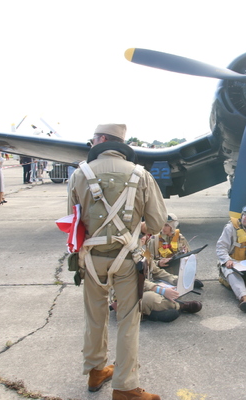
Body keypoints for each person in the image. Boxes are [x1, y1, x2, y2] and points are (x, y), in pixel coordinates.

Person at [67, 123, 166, 400]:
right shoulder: (141, 175)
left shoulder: (79, 175)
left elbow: (73, 225)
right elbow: (158, 223)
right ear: (120, 144)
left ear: (100, 140)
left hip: (90, 260)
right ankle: (124, 386)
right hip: (126, 261)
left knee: (94, 316)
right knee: (127, 321)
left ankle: (95, 370)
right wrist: (139, 228)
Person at [138, 234, 202, 322]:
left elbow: (157, 272)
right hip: (133, 293)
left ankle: (155, 312)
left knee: (172, 289)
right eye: (137, 236)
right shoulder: (127, 257)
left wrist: (175, 280)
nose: (141, 238)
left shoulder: (143, 253)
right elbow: (135, 281)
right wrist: (161, 290)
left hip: (148, 287)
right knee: (150, 298)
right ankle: (182, 306)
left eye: (142, 235)